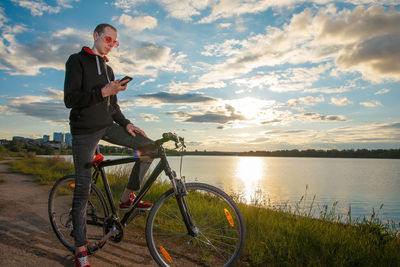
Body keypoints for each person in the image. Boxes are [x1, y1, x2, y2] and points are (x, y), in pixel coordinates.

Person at [64, 23, 155, 267]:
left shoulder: (109, 69)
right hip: (84, 131)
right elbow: (70, 99)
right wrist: (103, 92)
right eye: (107, 39)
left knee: (150, 148)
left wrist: (126, 124)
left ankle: (127, 197)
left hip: (107, 126)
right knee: (82, 190)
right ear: (95, 36)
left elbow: (113, 107)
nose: (111, 45)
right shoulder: (76, 60)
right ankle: (81, 249)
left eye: (114, 42)